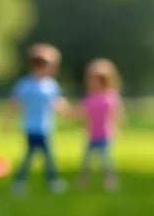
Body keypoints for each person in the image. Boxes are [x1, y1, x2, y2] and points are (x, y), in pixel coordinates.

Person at [8, 42, 70, 194]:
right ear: (39, 65)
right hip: (31, 127)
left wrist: (69, 112)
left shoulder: (51, 85)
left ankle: (49, 181)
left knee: (46, 157)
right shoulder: (26, 84)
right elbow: (16, 103)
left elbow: (57, 102)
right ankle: (29, 181)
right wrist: (8, 120)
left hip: (46, 127)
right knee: (34, 157)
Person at [76, 58, 124, 191]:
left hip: (105, 134)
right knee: (86, 161)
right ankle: (83, 181)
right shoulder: (89, 96)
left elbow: (117, 114)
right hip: (92, 134)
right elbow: (81, 112)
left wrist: (117, 127)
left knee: (106, 161)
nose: (93, 82)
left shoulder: (111, 96)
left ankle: (110, 181)